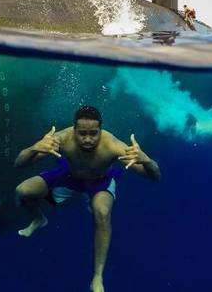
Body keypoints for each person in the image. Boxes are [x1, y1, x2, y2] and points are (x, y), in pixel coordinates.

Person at [14, 105, 161, 292]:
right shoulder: (62, 139)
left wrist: (147, 160)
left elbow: (155, 177)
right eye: (82, 133)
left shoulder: (112, 145)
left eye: (93, 133)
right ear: (74, 130)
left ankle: (97, 276)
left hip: (100, 181)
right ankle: (38, 219)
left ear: (100, 130)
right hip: (69, 176)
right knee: (21, 191)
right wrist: (33, 148)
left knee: (102, 211)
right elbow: (19, 164)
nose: (88, 139)